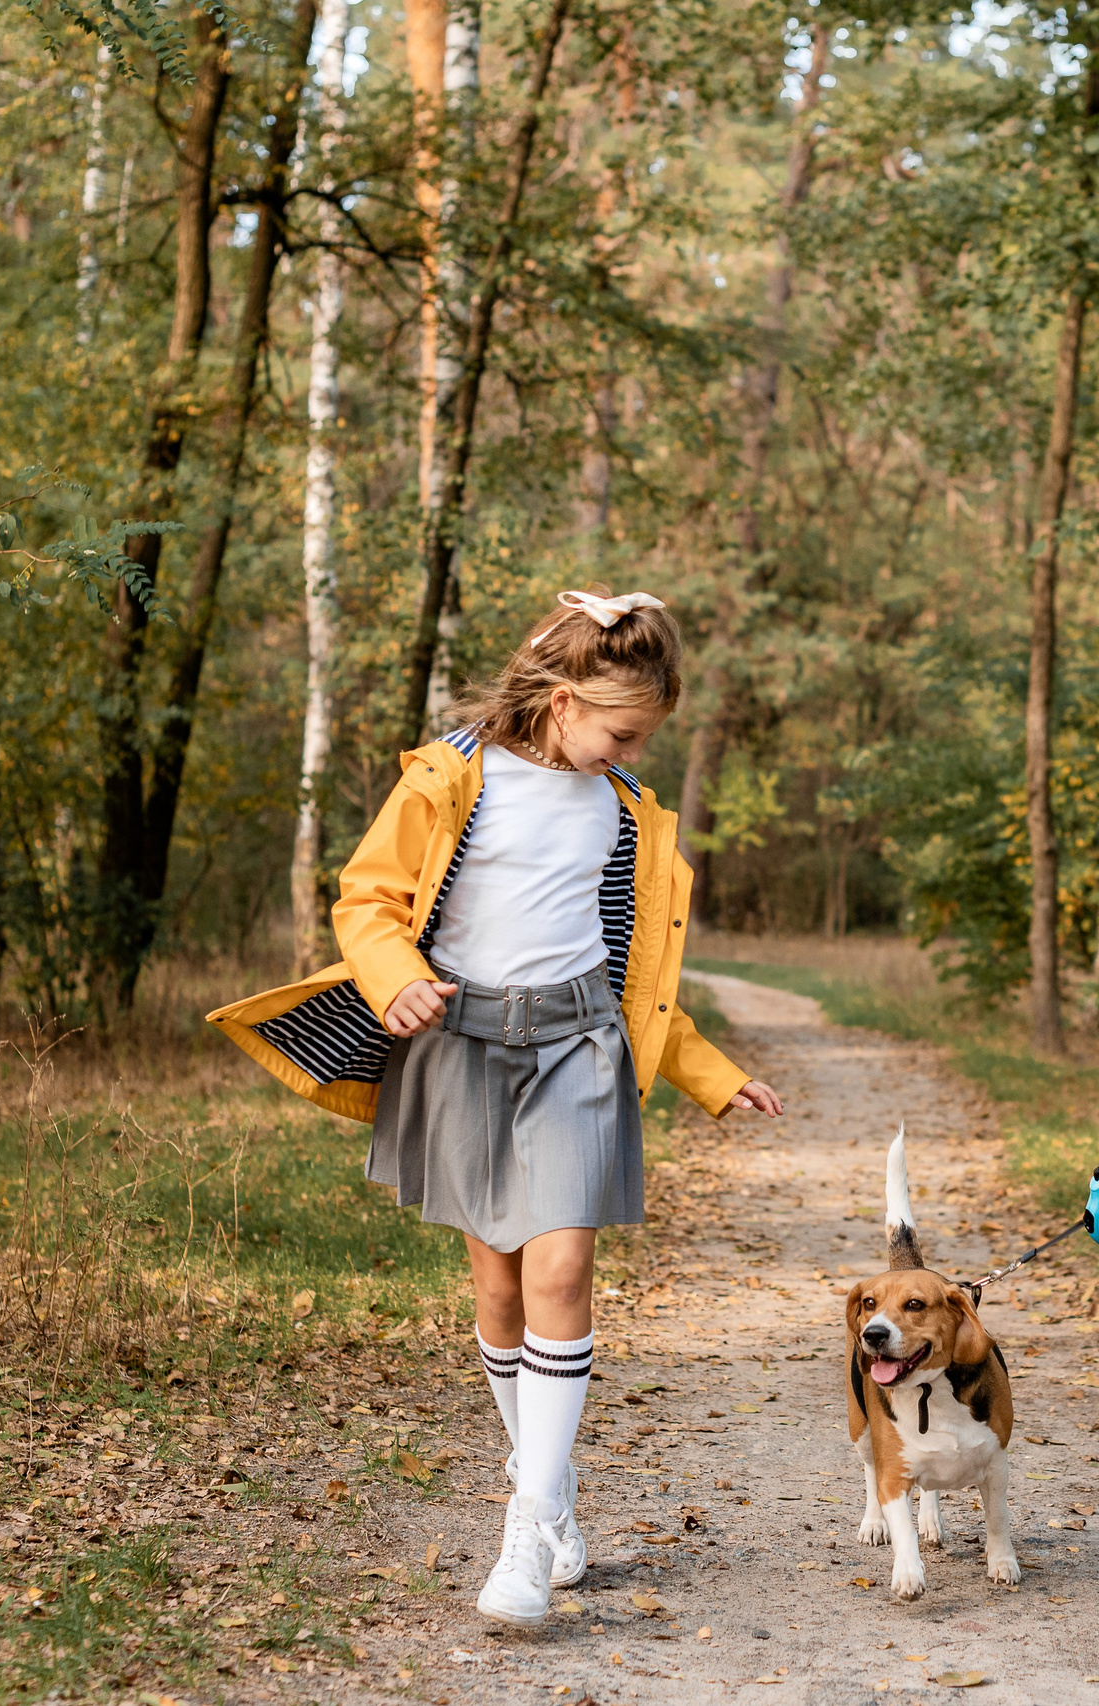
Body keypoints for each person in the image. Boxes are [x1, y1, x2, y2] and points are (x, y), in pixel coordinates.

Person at [209, 588, 785, 1628]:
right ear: (563, 703)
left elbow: (636, 970)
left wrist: (706, 1070)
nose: (630, 754)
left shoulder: (623, 808)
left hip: (577, 1045)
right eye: (620, 733)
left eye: (641, 739)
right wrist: (394, 979)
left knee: (561, 1268)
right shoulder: (452, 776)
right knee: (500, 1287)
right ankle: (548, 1479)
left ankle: (526, 1521)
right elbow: (368, 899)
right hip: (461, 1045)